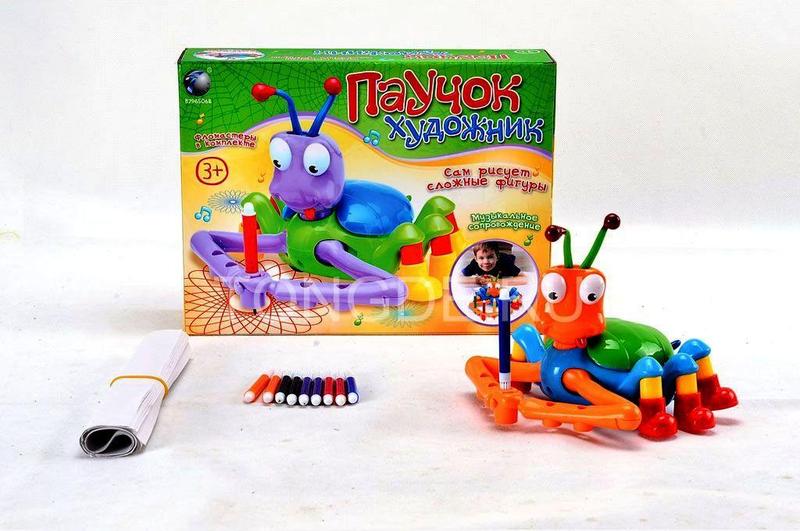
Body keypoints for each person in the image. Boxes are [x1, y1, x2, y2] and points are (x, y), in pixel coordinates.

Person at [460, 241, 525, 285]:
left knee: (510, 256)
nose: (486, 262)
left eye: (490, 257)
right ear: (476, 259)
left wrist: (498, 281)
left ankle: (506, 250)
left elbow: (524, 279)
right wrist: (476, 280)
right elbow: (458, 278)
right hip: (496, 254)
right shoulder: (474, 263)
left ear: (497, 257)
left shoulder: (505, 262)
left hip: (506, 257)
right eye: (481, 258)